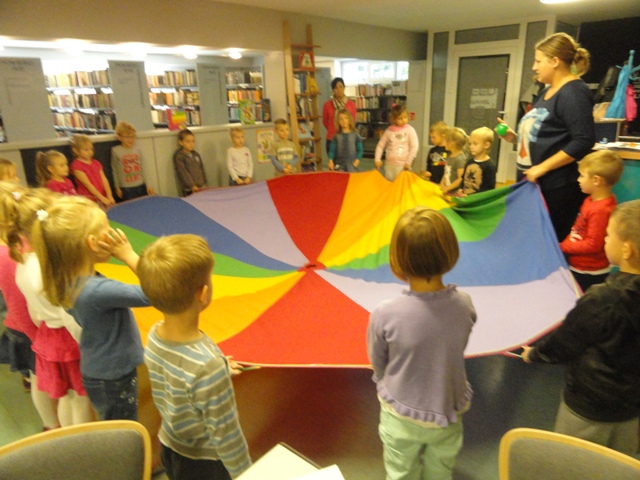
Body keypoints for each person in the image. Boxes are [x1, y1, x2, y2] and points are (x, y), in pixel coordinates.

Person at [522, 200, 640, 456]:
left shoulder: (603, 298)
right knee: (621, 464)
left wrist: (534, 354)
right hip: (632, 409)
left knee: (573, 461)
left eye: (609, 235)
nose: (605, 240)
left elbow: (566, 341)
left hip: (589, 406)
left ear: (627, 250)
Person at [367, 206, 476, 480]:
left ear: (397, 260)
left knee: (401, 471)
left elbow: (378, 361)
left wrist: (382, 376)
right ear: (450, 253)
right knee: (441, 469)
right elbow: (457, 344)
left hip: (400, 412)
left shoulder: (385, 313)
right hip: (447, 407)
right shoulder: (464, 305)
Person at [139, 234, 251, 480]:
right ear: (203, 293)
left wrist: (219, 370)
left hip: (170, 446)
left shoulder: (155, 335)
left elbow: (178, 376)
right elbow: (227, 436)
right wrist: (247, 475)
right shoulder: (207, 366)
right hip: (205, 464)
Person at [31, 195, 151, 421]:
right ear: (93, 243)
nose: (114, 234)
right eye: (108, 229)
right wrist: (128, 255)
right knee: (122, 429)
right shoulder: (96, 290)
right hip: (114, 376)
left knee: (114, 421)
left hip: (100, 370)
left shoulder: (67, 279)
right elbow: (156, 293)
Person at [496, 32, 595, 241]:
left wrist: (543, 167)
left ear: (555, 61)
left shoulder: (573, 93)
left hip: (555, 188)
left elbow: (583, 140)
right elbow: (547, 135)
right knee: (529, 239)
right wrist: (515, 138)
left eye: (538, 61)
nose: (534, 67)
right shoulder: (545, 92)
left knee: (547, 242)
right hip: (534, 184)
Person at [10, 188, 93, 426]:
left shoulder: (24, 263)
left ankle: (67, 437)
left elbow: (35, 313)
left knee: (67, 397)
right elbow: (67, 315)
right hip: (68, 340)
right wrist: (86, 341)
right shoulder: (48, 270)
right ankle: (83, 442)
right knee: (80, 401)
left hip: (48, 336)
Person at [0, 182, 61, 431]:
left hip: (26, 327)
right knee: (41, 380)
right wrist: (37, 337)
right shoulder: (11, 255)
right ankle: (52, 425)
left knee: (39, 378)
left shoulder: (12, 248)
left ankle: (52, 422)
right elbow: (18, 304)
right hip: (30, 330)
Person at [560, 150, 624, 292]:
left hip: (588, 271)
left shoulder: (601, 210)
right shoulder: (590, 200)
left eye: (582, 176)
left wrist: (563, 247)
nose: (578, 179)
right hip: (578, 264)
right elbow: (578, 229)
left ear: (596, 180)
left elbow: (592, 244)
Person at [374, 104, 419, 181]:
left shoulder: (410, 130)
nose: (403, 120)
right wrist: (377, 159)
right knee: (390, 185)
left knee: (402, 186)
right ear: (394, 119)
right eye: (400, 118)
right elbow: (380, 146)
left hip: (403, 165)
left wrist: (409, 162)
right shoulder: (389, 131)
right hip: (389, 165)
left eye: (405, 117)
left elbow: (414, 147)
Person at [111, 121, 154, 201]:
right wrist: (117, 187)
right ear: (119, 137)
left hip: (140, 185)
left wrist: (148, 185)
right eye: (127, 137)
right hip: (126, 188)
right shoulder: (115, 150)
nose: (130, 140)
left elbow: (144, 167)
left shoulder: (138, 150)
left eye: (132, 136)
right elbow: (115, 170)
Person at [70, 134, 115, 208]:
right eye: (86, 150)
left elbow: (104, 179)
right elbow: (87, 184)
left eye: (91, 149)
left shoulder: (96, 163)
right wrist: (101, 198)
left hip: (102, 195)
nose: (90, 152)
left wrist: (109, 195)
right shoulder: (76, 166)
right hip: (88, 198)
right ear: (76, 150)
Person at [322, 77, 357, 155]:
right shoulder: (327, 105)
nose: (339, 90)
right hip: (332, 138)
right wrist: (334, 128)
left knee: (347, 161)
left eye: (341, 87)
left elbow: (353, 121)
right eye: (336, 88)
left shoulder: (351, 104)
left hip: (347, 138)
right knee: (332, 161)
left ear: (344, 88)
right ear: (333, 90)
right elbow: (325, 122)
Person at [459, 127, 496, 195]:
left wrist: (472, 197)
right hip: (464, 198)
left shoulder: (490, 166)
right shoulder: (469, 162)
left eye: (475, 144)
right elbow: (463, 178)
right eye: (470, 143)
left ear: (486, 145)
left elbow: (489, 189)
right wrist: (461, 188)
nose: (471, 146)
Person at [173, 129, 207, 196]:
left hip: (201, 187)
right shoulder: (180, 157)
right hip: (190, 189)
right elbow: (183, 173)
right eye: (188, 141)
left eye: (193, 141)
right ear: (181, 142)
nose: (191, 144)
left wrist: (204, 183)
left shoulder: (196, 155)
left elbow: (201, 169)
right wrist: (192, 186)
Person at [439, 127, 468, 195]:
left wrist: (448, 188)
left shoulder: (460, 159)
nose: (444, 143)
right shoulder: (449, 155)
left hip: (455, 194)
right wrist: (442, 183)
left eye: (445, 141)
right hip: (447, 191)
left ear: (451, 143)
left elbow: (460, 179)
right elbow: (446, 173)